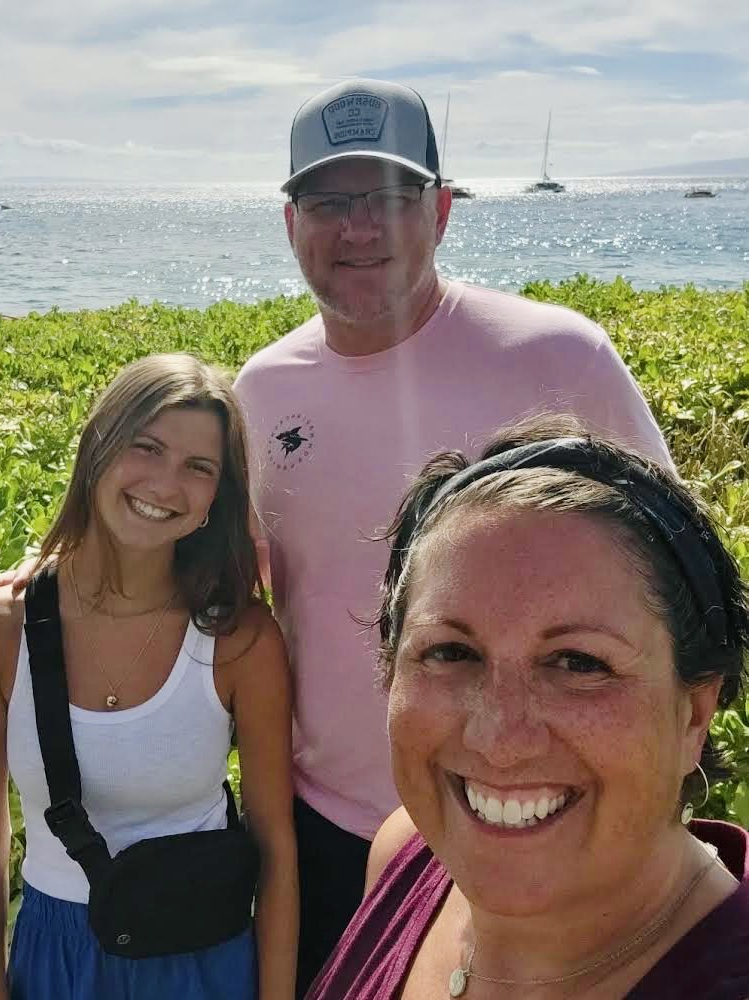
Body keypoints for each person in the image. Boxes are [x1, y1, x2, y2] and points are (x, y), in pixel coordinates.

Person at [230, 76, 673, 992]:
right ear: (290, 222)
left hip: (530, 816)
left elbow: (674, 576)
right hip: (325, 828)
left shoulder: (560, 355)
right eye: (329, 202)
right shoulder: (262, 390)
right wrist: (59, 566)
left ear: (439, 211)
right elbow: (223, 577)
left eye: (388, 197)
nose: (358, 228)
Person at [307, 415, 749, 999]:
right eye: (450, 652)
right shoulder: (407, 853)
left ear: (693, 713)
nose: (500, 740)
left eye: (579, 663)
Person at [0, 353, 297, 1000]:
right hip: (58, 953)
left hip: (203, 953)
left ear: (216, 497)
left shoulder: (240, 638)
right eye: (146, 447)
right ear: (97, 448)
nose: (165, 484)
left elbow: (275, 843)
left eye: (198, 467)